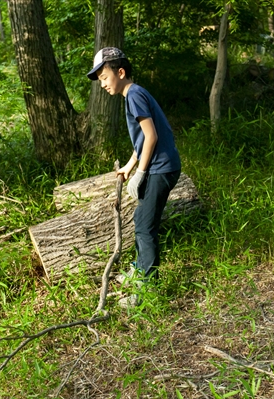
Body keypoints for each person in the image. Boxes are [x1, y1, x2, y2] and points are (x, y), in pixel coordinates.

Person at [86, 47, 181, 308]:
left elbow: (152, 137)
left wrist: (140, 174)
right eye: (100, 80)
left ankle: (147, 291)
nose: (102, 84)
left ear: (120, 72)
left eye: (104, 77)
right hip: (160, 166)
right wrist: (129, 166)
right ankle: (139, 270)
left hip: (162, 168)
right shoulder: (135, 94)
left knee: (145, 227)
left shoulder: (134, 95)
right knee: (141, 218)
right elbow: (142, 139)